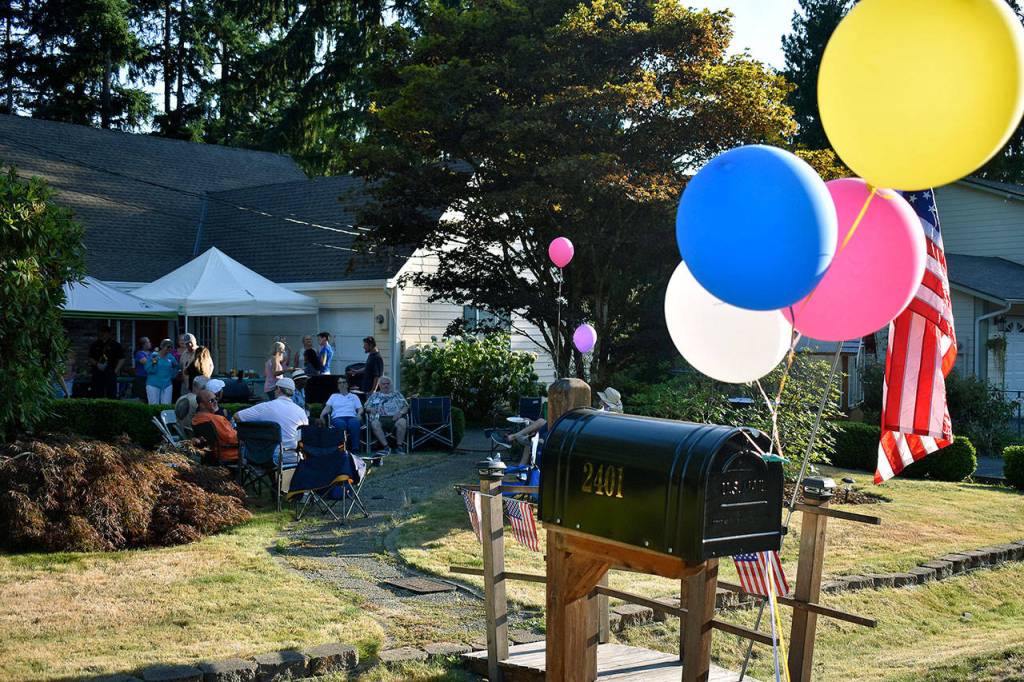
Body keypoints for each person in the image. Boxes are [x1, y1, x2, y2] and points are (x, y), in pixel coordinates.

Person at [235, 377, 308, 454]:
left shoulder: (265, 407)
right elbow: (303, 435)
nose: (274, 391)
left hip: (268, 456)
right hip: (295, 457)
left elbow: (237, 416)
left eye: (275, 389)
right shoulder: (301, 411)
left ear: (279, 389)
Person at [193, 389, 239, 464]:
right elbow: (232, 438)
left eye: (216, 399)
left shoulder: (196, 419)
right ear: (202, 405)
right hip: (230, 454)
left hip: (211, 455)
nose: (215, 402)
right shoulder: (216, 419)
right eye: (211, 400)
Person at [365, 376, 408, 455]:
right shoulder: (375, 395)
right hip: (379, 418)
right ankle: (386, 447)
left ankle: (399, 447)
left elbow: (406, 406)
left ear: (390, 385)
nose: (386, 386)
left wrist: (400, 413)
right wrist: (370, 409)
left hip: (395, 417)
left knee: (402, 421)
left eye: (388, 384)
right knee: (374, 423)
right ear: (380, 385)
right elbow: (366, 407)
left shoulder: (397, 394)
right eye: (383, 384)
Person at [320, 376, 364, 453]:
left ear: (347, 385)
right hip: (338, 417)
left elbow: (360, 408)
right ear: (338, 385)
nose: (342, 384)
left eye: (344, 382)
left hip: (352, 417)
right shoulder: (334, 396)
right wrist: (321, 415)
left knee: (355, 424)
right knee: (341, 425)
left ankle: (355, 449)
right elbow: (328, 408)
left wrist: (359, 414)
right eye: (340, 383)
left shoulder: (354, 396)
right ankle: (341, 449)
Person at [88, 325, 125, 398]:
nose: (103, 334)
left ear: (109, 333)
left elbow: (122, 358)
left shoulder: (116, 345)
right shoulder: (95, 344)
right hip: (97, 371)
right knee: (97, 392)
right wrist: (97, 364)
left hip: (110, 371)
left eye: (105, 333)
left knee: (111, 393)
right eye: (101, 332)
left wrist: (115, 371)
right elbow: (90, 357)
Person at [145, 339, 178, 404]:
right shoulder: (154, 356)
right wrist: (154, 362)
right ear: (162, 346)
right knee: (153, 404)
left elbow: (176, 366)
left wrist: (173, 375)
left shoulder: (171, 357)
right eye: (168, 347)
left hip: (167, 384)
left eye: (171, 347)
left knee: (167, 405)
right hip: (153, 384)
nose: (170, 349)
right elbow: (148, 369)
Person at [132, 337, 151, 402]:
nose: (150, 343)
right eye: (148, 342)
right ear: (143, 344)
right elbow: (146, 362)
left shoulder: (151, 353)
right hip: (141, 378)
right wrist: (155, 359)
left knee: (148, 398)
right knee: (141, 398)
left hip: (150, 378)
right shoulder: (139, 353)